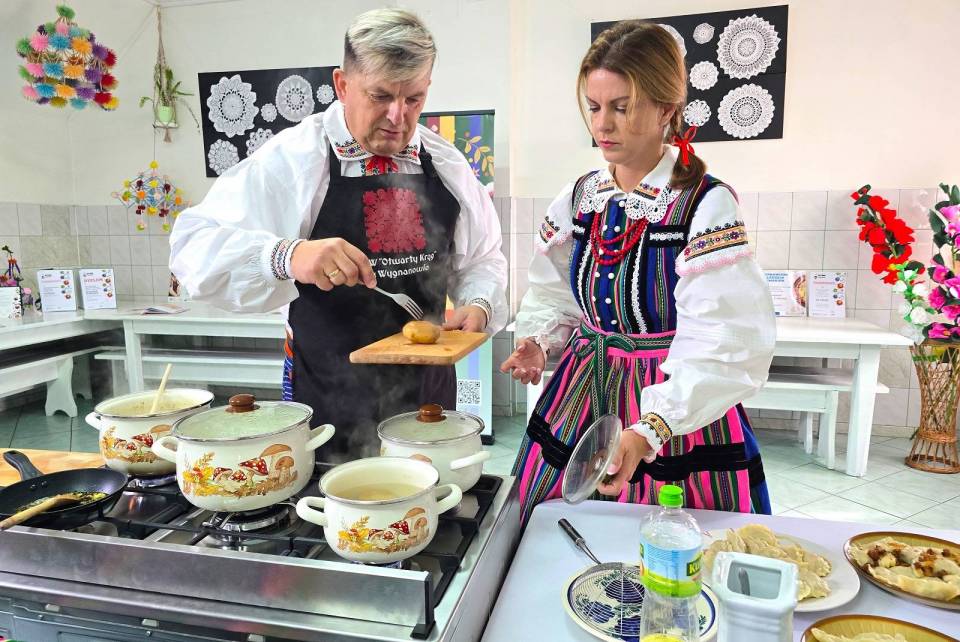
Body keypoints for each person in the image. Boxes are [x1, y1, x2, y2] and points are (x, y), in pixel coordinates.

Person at [171, 8, 507, 461]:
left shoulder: (445, 165)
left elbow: (484, 258)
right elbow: (192, 246)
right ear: (342, 84)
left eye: (414, 99)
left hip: (428, 397)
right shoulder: (294, 160)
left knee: (429, 490)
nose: (398, 117)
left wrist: (479, 304)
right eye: (380, 96)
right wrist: (287, 256)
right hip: (326, 394)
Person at [501, 21, 776, 525]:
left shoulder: (704, 204)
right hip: (582, 390)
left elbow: (725, 338)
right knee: (556, 532)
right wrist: (540, 342)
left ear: (666, 109)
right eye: (594, 106)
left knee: (666, 538)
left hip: (668, 404)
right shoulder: (580, 198)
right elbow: (555, 293)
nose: (602, 125)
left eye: (622, 107)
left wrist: (652, 426)